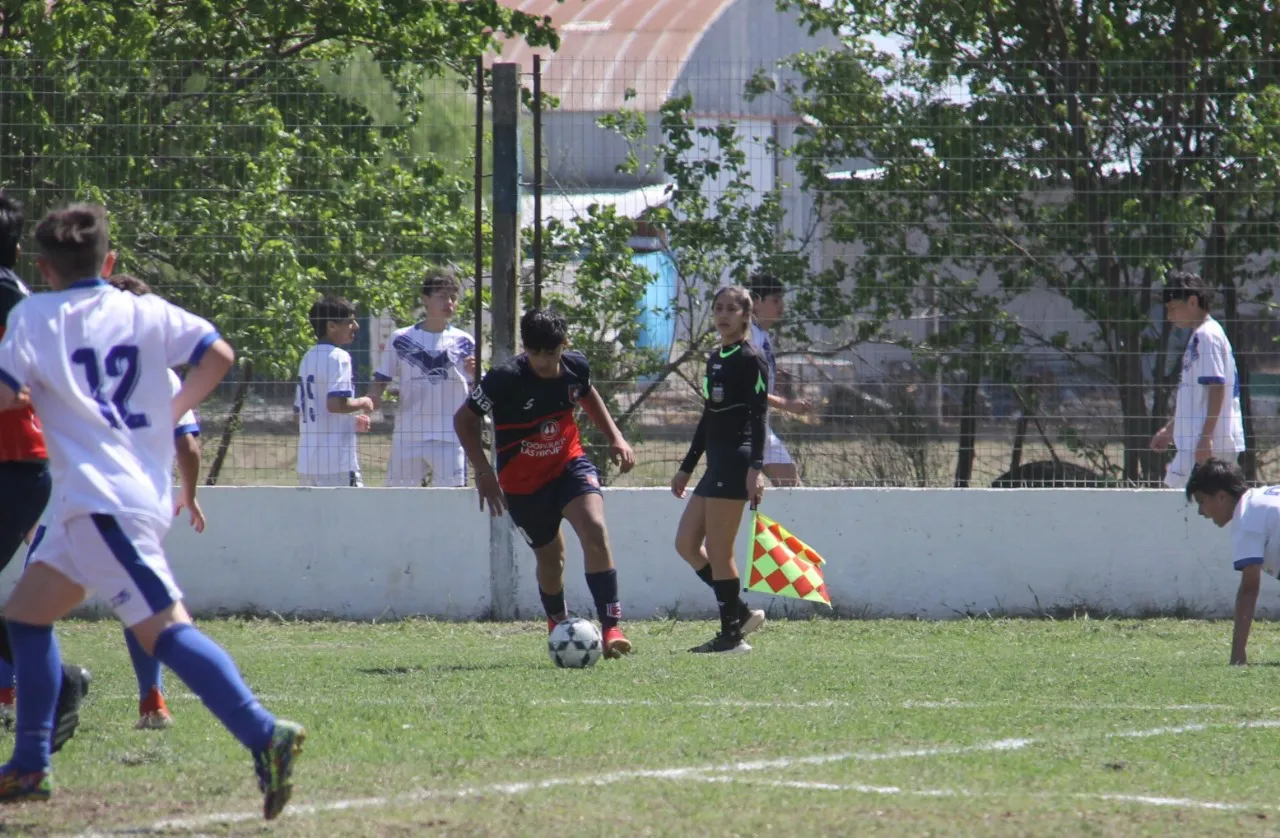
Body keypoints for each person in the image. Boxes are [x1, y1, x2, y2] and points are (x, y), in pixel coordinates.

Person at [0, 203, 303, 816]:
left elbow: (7, 394)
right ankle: (30, 763)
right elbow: (219, 352)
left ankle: (264, 732)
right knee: (26, 619)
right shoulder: (142, 309)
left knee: (164, 630)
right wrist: (169, 411)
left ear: (44, 268)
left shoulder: (33, 313)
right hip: (104, 501)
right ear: (108, 263)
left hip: (103, 504)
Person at [454, 308, 635, 656]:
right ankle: (558, 623)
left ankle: (612, 627)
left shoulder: (576, 366)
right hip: (522, 485)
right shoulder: (504, 378)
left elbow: (587, 393)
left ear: (563, 345)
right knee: (553, 561)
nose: (543, 362)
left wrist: (615, 436)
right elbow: (464, 420)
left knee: (595, 530)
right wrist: (483, 471)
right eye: (535, 353)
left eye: (550, 354)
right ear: (526, 348)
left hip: (569, 465)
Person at [0, 191, 92, 751]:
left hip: (14, 465)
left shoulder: (12, 297)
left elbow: (25, 389)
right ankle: (58, 684)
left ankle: (58, 685)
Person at [107, 273, 206, 730]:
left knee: (31, 604)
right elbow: (188, 445)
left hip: (75, 495)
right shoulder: (162, 373)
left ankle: (10, 689)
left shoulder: (79, 360)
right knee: (143, 601)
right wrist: (188, 494)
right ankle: (153, 697)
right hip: (139, 501)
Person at [671, 286, 770, 654]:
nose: (723, 314)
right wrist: (686, 467)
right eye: (718, 308)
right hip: (715, 464)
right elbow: (708, 419)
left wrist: (756, 468)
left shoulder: (750, 358)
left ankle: (731, 636)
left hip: (737, 461)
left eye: (732, 308)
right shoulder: (715, 357)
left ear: (746, 315)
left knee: (718, 547)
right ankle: (739, 613)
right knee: (685, 543)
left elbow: (760, 416)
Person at [369, 268, 476, 487]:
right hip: (409, 435)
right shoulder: (401, 338)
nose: (449, 303)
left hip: (450, 436)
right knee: (398, 500)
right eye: (442, 297)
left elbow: (477, 387)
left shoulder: (464, 341)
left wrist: (477, 373)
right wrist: (370, 403)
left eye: (453, 297)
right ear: (425, 300)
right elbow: (381, 377)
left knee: (452, 501)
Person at [1151, 271, 1244, 489]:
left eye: (1173, 308)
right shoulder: (1200, 336)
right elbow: (1197, 397)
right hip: (1197, 442)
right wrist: (1170, 430)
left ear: (1192, 302)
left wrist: (1206, 437)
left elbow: (1217, 388)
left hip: (1207, 443)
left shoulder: (1207, 336)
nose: (1169, 315)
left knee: (1179, 502)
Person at [1185, 457, 1279, 666]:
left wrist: (1237, 655)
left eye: (1201, 501)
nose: (1201, 512)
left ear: (1221, 497)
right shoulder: (1260, 498)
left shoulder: (1246, 520)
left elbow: (1249, 589)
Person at [296, 296, 372, 487]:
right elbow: (336, 404)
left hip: (308, 462)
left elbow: (301, 412)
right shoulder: (339, 357)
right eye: (350, 321)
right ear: (331, 326)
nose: (355, 326)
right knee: (354, 515)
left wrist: (349, 422)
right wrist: (363, 401)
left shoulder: (308, 357)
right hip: (337, 463)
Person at [747, 273, 812, 487]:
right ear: (756, 303)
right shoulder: (749, 337)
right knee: (738, 498)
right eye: (775, 300)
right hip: (743, 431)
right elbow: (746, 388)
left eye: (781, 299)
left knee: (794, 491)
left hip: (761, 427)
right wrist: (786, 404)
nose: (781, 305)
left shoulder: (762, 335)